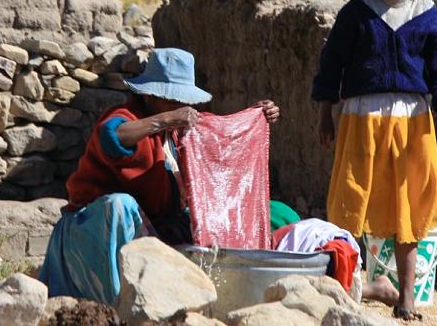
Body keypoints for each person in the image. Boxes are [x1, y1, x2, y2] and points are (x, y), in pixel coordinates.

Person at [38, 47, 280, 304]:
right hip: (94, 231)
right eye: (170, 98)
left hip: (153, 232)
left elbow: (219, 131)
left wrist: (256, 115)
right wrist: (165, 119)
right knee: (120, 205)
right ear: (150, 96)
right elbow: (112, 136)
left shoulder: (179, 134)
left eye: (181, 100)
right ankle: (117, 302)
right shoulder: (127, 118)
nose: (179, 105)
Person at [311, 0, 437, 321]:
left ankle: (407, 294)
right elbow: (332, 65)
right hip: (362, 118)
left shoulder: (426, 14)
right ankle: (345, 283)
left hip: (412, 121)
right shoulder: (357, 11)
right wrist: (325, 114)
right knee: (350, 197)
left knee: (406, 205)